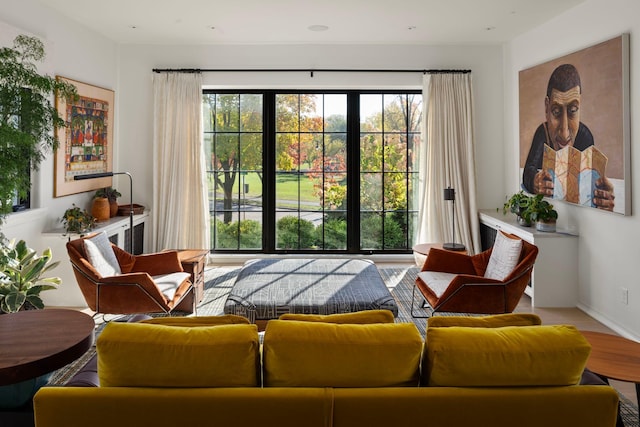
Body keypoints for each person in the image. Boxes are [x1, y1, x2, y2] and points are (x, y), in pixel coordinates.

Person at [522, 64, 615, 211]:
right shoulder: (543, 133)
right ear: (547, 108)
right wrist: (534, 181)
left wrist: (601, 196)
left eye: (573, 111)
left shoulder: (585, 136)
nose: (564, 133)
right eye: (556, 111)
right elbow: (528, 171)